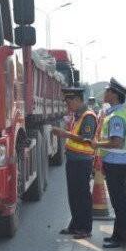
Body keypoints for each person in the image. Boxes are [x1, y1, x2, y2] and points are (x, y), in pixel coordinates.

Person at [90, 77, 126, 248]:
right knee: (118, 200)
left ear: (114, 95)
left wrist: (97, 144)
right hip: (115, 162)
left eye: (107, 91)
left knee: (119, 201)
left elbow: (117, 142)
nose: (104, 93)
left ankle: (120, 238)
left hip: (117, 162)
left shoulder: (116, 116)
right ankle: (117, 235)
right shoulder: (114, 113)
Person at [51, 87, 98, 239]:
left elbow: (87, 138)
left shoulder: (88, 116)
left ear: (77, 100)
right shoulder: (77, 115)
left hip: (82, 161)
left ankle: (85, 228)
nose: (67, 106)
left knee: (82, 196)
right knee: (73, 195)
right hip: (73, 160)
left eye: (69, 102)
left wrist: (65, 134)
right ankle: (75, 225)